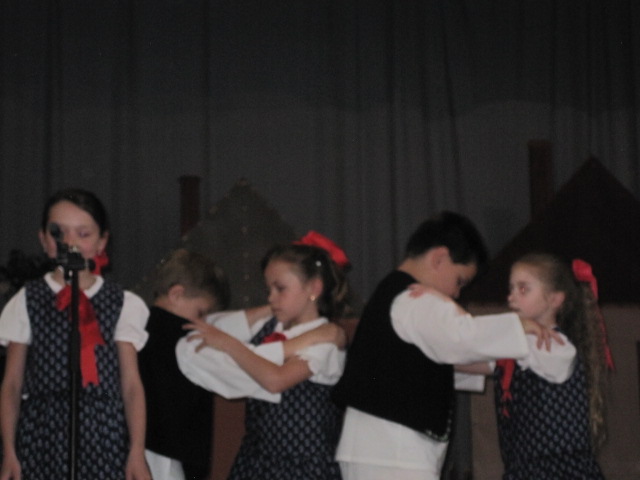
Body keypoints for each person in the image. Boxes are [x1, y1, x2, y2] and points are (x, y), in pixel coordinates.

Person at [330, 211, 561, 480]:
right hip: (393, 453)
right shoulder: (416, 298)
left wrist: (509, 358)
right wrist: (519, 326)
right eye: (459, 281)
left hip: (381, 451)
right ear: (439, 258)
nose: (456, 293)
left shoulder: (396, 293)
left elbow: (440, 359)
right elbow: (460, 339)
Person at [0, 188, 151, 480]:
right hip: (42, 432)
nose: (70, 242)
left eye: (83, 234)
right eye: (59, 232)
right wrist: (8, 450)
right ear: (44, 239)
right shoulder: (28, 299)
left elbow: (131, 384)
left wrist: (136, 451)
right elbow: (12, 384)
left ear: (101, 242)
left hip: (103, 432)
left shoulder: (121, 302)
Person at [176, 232, 352, 480]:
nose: (271, 297)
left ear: (314, 288)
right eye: (268, 289)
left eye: (280, 289)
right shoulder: (269, 326)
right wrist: (270, 311)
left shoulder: (326, 340)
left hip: (304, 468)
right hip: (256, 463)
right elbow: (196, 335)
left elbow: (275, 380)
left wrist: (229, 344)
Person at [463, 253, 608, 479]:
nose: (511, 297)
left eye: (523, 289)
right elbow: (464, 358)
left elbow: (477, 343)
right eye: (511, 289)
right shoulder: (516, 351)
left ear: (554, 299)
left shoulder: (553, 346)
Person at [138, 248, 230, 480]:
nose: (203, 324)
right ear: (176, 294)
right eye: (200, 313)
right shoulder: (179, 335)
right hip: (166, 455)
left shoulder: (138, 328)